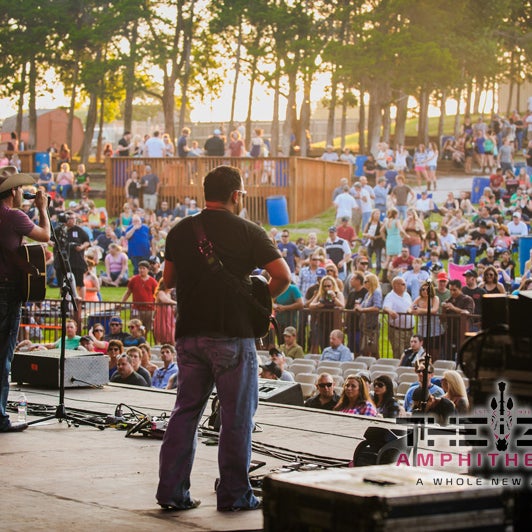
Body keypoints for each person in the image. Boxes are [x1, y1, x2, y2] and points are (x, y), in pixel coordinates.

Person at [157, 165, 290, 512]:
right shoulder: (249, 231)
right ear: (236, 195)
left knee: (185, 411)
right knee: (236, 417)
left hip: (188, 335)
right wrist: (258, 302)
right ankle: (234, 495)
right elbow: (282, 276)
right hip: (232, 335)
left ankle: (171, 492)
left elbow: (167, 281)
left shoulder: (180, 230)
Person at [0, 167, 51, 432]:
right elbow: (45, 236)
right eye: (19, 189)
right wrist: (42, 209)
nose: (22, 192)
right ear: (11, 192)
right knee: (3, 357)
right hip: (6, 293)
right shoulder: (13, 216)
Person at [120, 261, 158, 333]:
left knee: (146, 328)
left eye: (143, 268)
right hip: (136, 308)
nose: (141, 270)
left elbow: (157, 295)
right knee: (136, 327)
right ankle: (137, 341)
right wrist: (121, 303)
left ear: (148, 270)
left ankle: (144, 342)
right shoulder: (134, 280)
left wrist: (156, 307)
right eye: (140, 268)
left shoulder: (153, 282)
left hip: (149, 309)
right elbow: (128, 292)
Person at [383, 276, 414, 358]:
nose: (405, 286)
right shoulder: (390, 296)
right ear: (396, 285)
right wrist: (391, 312)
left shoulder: (407, 295)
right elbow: (386, 307)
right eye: (403, 284)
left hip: (410, 330)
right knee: (399, 354)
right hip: (397, 331)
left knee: (410, 353)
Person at [153, 279, 177, 345]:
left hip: (169, 317)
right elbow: (165, 300)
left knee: (171, 335)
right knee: (164, 334)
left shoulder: (168, 294)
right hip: (162, 317)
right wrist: (176, 303)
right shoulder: (160, 293)